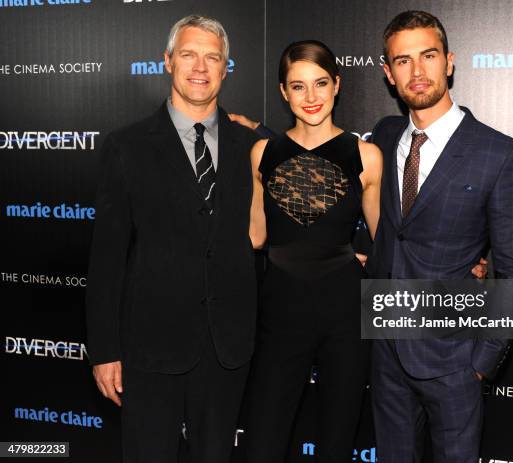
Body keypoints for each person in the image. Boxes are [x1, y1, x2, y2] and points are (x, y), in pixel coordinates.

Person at [85, 15, 260, 463]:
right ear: (167, 62)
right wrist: (105, 351)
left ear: (226, 68)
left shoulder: (254, 146)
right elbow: (106, 259)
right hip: (149, 347)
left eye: (212, 57)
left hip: (228, 348)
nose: (200, 67)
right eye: (188, 54)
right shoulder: (125, 147)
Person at [368, 11, 513, 462]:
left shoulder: (499, 155)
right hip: (385, 354)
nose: (417, 72)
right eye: (402, 61)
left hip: (454, 362)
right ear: (387, 73)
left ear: (450, 62)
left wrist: (481, 364)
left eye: (428, 56)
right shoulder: (383, 138)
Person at [242, 40, 383, 462]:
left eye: (320, 83)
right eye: (298, 86)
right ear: (283, 92)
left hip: (344, 313)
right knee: (262, 442)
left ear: (337, 85)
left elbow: (387, 242)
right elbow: (255, 237)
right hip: (280, 311)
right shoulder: (262, 153)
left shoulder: (366, 156)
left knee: (337, 441)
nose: (311, 97)